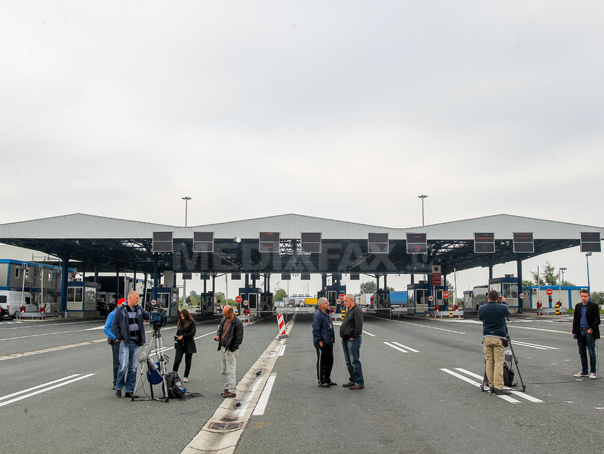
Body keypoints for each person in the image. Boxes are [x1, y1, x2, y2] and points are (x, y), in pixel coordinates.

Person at [111, 291, 150, 398]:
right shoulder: (121, 310)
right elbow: (114, 325)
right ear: (130, 298)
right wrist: (120, 338)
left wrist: (154, 312)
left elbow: (147, 315)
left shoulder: (139, 309)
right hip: (125, 342)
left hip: (136, 342)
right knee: (123, 366)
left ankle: (129, 390)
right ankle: (119, 387)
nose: (138, 300)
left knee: (133, 367)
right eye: (136, 298)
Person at [477, 290, 511, 395]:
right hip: (499, 337)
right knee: (499, 362)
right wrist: (504, 302)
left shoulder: (482, 308)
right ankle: (498, 387)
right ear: (498, 297)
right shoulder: (502, 308)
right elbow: (508, 313)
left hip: (487, 337)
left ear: (488, 297)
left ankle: (491, 385)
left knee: (489, 362)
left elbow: (480, 317)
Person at [213, 305, 244, 398]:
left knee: (230, 370)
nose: (224, 316)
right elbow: (220, 330)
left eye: (226, 314)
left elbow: (239, 339)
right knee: (224, 370)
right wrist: (218, 336)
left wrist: (232, 348)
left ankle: (232, 390)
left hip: (230, 349)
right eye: (223, 314)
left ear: (231, 313)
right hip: (223, 347)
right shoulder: (224, 320)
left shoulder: (237, 323)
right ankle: (227, 387)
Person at [572, 289, 600, 379]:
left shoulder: (594, 306)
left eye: (585, 296)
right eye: (582, 296)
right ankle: (584, 371)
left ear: (588, 297)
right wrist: (574, 332)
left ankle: (593, 372)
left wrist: (591, 329)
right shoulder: (578, 306)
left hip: (589, 331)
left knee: (591, 352)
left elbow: (597, 320)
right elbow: (575, 320)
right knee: (582, 352)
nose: (583, 298)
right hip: (580, 331)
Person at [340, 294, 364, 390]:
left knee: (354, 361)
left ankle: (359, 382)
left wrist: (353, 337)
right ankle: (353, 380)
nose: (344, 303)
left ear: (351, 300)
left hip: (352, 340)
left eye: (346, 301)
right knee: (348, 362)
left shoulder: (357, 310)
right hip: (346, 338)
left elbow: (359, 325)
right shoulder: (349, 310)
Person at [312, 297, 336, 388]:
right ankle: (321, 381)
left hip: (328, 341)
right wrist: (319, 341)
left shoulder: (327, 314)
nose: (328, 304)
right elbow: (316, 329)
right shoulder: (318, 315)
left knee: (330, 361)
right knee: (322, 361)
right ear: (321, 305)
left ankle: (327, 379)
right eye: (326, 303)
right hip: (322, 342)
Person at [104, 298, 126, 390]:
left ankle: (121, 381)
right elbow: (106, 328)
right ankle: (116, 382)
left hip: (124, 340)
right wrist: (114, 337)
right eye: (122, 305)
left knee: (124, 362)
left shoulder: (125, 314)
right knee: (117, 362)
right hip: (117, 341)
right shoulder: (113, 314)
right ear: (118, 304)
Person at [173, 309, 197, 383]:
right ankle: (174, 374)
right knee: (177, 360)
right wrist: (177, 336)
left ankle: (186, 376)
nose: (182, 318)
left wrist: (183, 336)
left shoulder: (192, 323)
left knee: (188, 361)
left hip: (188, 343)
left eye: (183, 316)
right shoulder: (180, 323)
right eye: (181, 316)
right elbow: (178, 332)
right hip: (180, 344)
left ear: (186, 316)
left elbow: (192, 333)